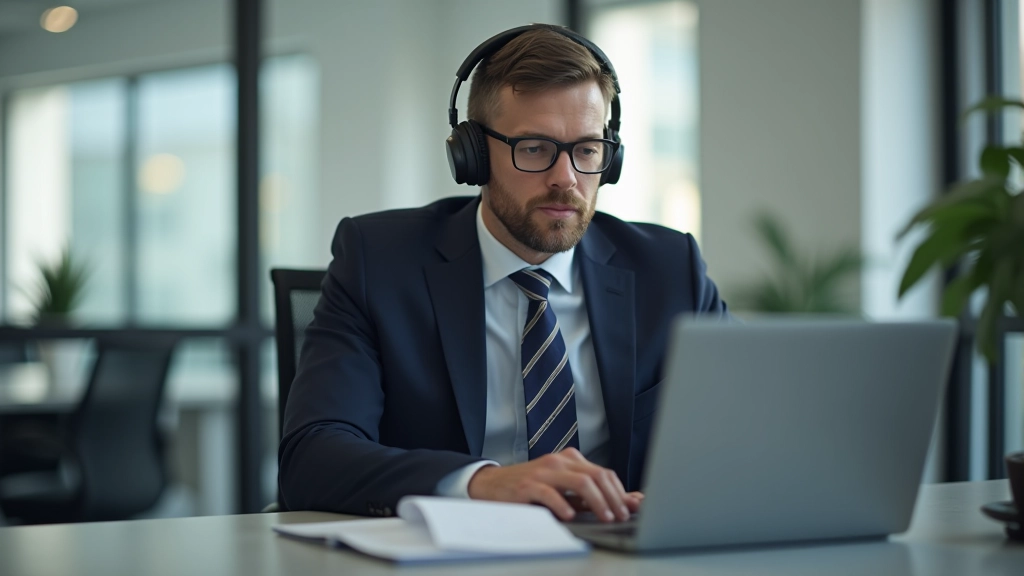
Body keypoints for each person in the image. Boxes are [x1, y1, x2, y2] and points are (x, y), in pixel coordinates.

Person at [279, 24, 728, 523]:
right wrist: (481, 482)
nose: (566, 179)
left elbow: (750, 429)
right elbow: (312, 458)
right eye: (534, 148)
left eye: (587, 149)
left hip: (618, 547)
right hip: (454, 548)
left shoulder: (670, 270)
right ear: (472, 155)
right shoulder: (378, 262)